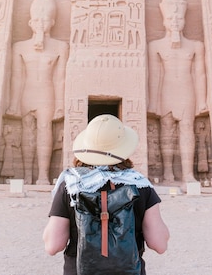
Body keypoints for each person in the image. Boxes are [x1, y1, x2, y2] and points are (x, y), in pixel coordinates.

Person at [43, 114, 169, 275]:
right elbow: (159, 244)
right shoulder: (140, 185)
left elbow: (52, 245)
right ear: (124, 149)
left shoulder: (70, 185)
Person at [7, 0, 69, 185]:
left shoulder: (60, 46)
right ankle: (26, 175)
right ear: (30, 22)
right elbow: (17, 77)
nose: (41, 23)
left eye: (45, 20)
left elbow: (60, 78)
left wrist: (60, 103)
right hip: (28, 93)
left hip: (47, 94)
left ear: (52, 22)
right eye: (37, 20)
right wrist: (14, 103)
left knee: (44, 128)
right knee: (27, 131)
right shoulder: (20, 47)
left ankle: (42, 175)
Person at [147, 0, 208, 183]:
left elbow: (200, 74)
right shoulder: (155, 46)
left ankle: (188, 174)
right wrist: (153, 102)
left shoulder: (195, 45)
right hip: (166, 90)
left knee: (187, 129)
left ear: (184, 20)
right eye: (170, 19)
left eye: (178, 19)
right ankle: (167, 174)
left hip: (187, 90)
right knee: (166, 131)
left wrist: (202, 101)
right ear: (164, 20)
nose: (174, 22)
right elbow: (155, 75)